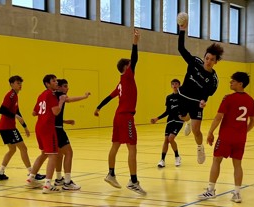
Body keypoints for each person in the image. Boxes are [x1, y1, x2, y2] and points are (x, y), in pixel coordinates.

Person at [94, 29, 146, 195]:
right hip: (126, 117)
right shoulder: (128, 76)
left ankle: (111, 173)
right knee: (132, 149)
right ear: (126, 67)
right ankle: (133, 180)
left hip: (118, 116)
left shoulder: (120, 84)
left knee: (115, 145)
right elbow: (135, 59)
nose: (133, 66)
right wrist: (135, 42)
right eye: (130, 65)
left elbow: (108, 98)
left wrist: (98, 107)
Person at [198, 72, 254, 203]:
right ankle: (237, 194)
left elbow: (218, 117)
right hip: (240, 138)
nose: (230, 83)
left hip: (226, 137)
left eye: (233, 81)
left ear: (240, 84)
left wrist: (210, 132)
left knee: (216, 161)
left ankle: (211, 190)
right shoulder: (250, 99)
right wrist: (245, 131)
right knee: (238, 165)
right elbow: (253, 120)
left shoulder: (228, 98)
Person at [177, 17, 224, 164]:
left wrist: (204, 101)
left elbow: (206, 93)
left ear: (216, 62)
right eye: (207, 58)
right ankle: (188, 121)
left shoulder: (213, 79)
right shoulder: (195, 62)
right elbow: (181, 49)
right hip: (183, 96)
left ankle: (199, 147)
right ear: (204, 57)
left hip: (196, 102)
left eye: (212, 59)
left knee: (197, 131)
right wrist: (182, 30)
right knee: (183, 117)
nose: (208, 61)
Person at [0, 75, 45, 181]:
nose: (20, 85)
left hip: (5, 127)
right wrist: (15, 116)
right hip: (7, 127)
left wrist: (25, 127)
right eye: (18, 83)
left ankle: (0, 172)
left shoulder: (15, 96)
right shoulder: (11, 95)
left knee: (12, 150)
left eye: (21, 83)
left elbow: (17, 111)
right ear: (12, 84)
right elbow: (2, 110)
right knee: (23, 148)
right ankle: (32, 173)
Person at [27, 74, 66, 194]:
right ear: (47, 84)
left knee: (44, 153)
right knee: (53, 155)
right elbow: (56, 112)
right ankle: (48, 185)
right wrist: (61, 101)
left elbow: (34, 113)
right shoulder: (51, 95)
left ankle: (31, 178)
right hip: (48, 127)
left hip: (39, 126)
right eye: (53, 81)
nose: (56, 83)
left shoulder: (41, 95)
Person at [53, 79, 91, 190]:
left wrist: (64, 121)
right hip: (58, 129)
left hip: (54, 127)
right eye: (65, 86)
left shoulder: (53, 95)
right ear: (59, 87)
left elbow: (54, 115)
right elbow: (70, 100)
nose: (67, 88)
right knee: (69, 152)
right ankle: (67, 182)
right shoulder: (60, 95)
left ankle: (59, 178)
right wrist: (84, 97)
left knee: (59, 154)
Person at [151, 79, 183, 168]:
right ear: (171, 86)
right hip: (170, 120)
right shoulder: (169, 97)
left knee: (171, 138)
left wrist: (185, 116)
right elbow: (167, 111)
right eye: (172, 84)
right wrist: (157, 118)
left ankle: (177, 156)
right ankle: (162, 160)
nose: (174, 85)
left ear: (179, 85)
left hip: (178, 121)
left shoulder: (182, 97)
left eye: (176, 84)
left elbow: (187, 108)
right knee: (166, 140)